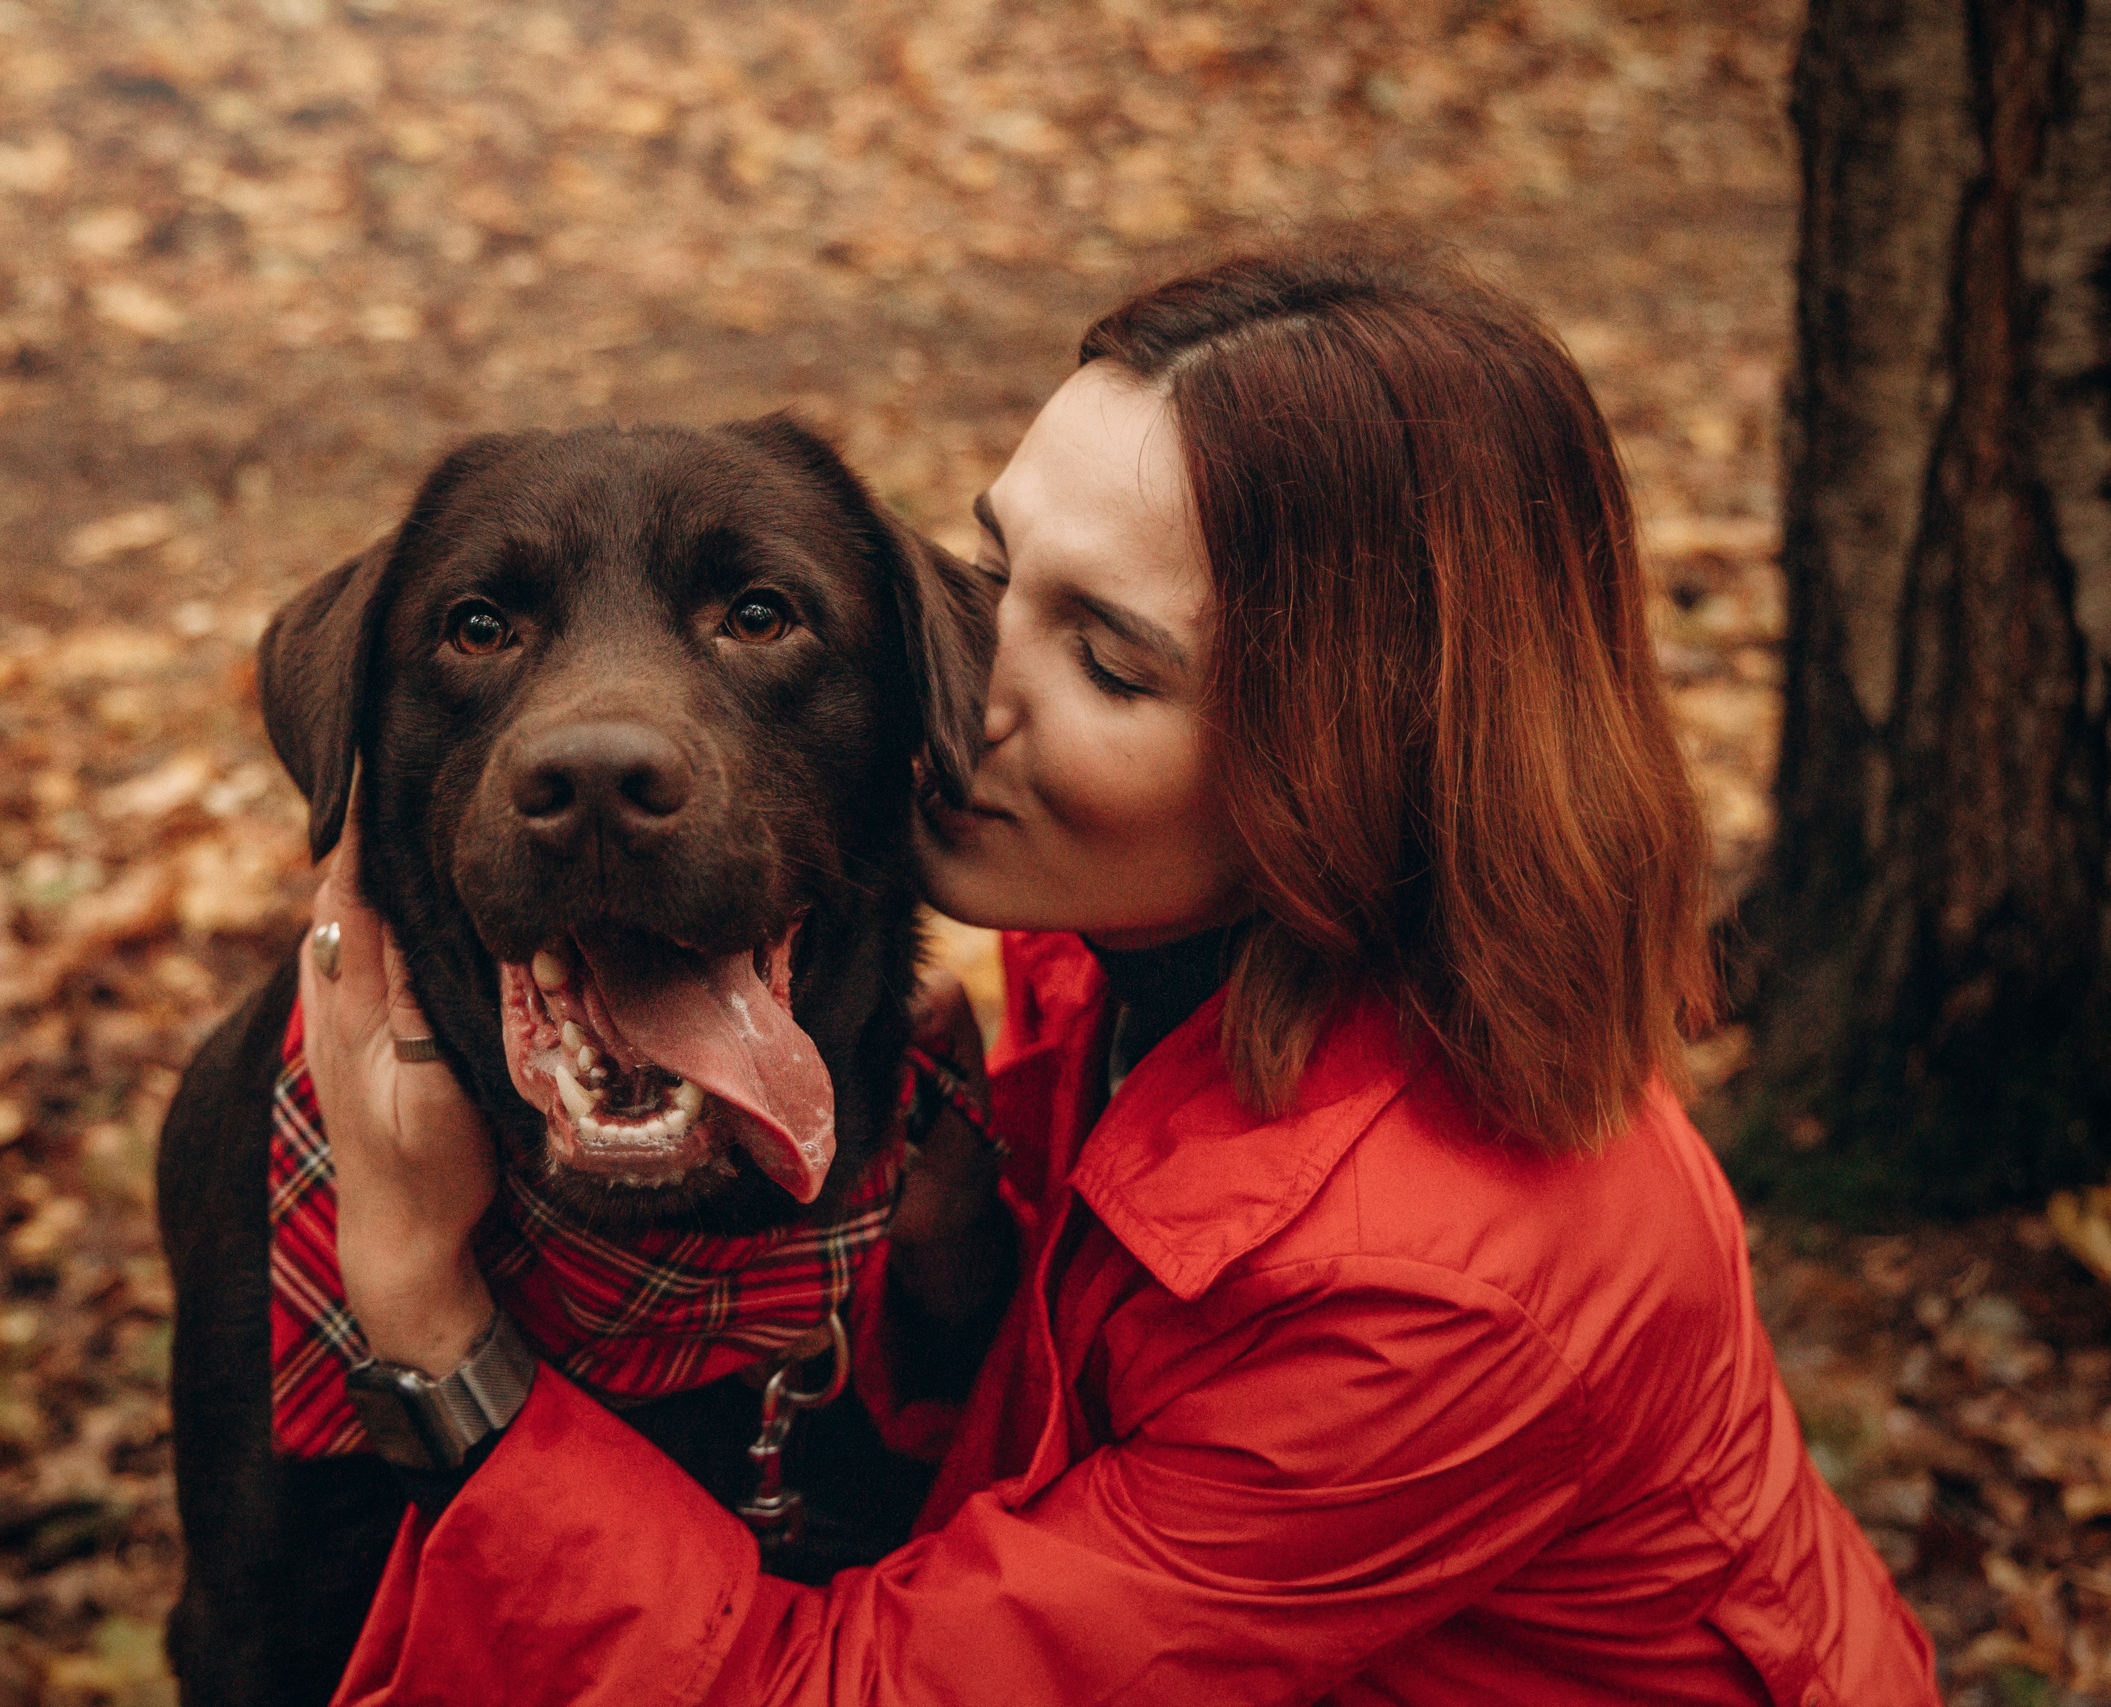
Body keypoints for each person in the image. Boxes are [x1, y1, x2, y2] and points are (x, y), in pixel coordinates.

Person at [294, 246, 1938, 1704]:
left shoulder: (1437, 1294)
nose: (965, 688)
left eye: (1105, 660)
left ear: (1337, 771)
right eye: (998, 571)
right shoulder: (1144, 939)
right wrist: (961, 1278)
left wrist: (432, 1321)